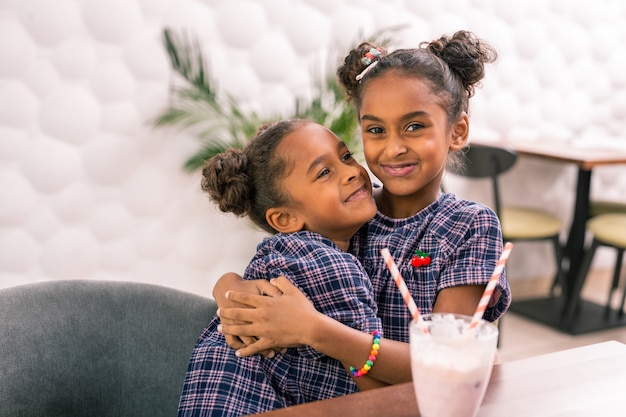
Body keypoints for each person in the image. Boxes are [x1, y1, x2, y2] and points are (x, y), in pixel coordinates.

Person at [213, 30, 512, 387]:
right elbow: (273, 263)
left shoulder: (469, 225)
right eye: (375, 130)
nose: (393, 148)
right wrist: (229, 288)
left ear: (457, 131)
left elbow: (444, 364)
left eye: (414, 126)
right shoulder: (348, 209)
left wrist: (314, 330)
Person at [178, 119, 387, 417]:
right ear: (285, 219)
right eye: (325, 172)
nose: (352, 172)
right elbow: (377, 385)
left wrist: (228, 280)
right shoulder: (330, 266)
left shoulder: (280, 253)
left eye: (345, 156)